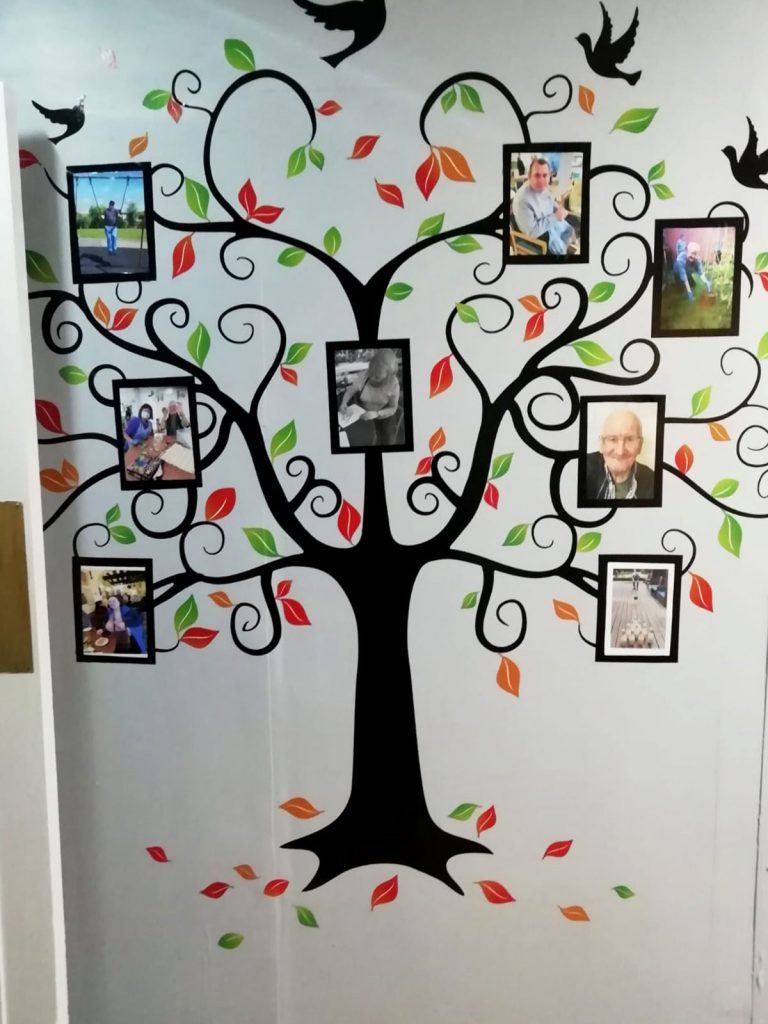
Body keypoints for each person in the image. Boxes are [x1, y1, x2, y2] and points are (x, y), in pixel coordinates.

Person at [584, 408, 655, 501]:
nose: (620, 452)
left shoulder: (653, 480)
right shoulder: (582, 467)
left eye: (629, 439)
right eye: (613, 439)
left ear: (640, 445)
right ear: (601, 444)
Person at [511, 157, 575, 256]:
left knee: (570, 229)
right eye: (537, 175)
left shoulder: (543, 187)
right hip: (535, 235)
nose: (541, 180)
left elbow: (549, 200)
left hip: (546, 221)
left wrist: (558, 209)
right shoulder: (522, 200)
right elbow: (532, 232)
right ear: (529, 176)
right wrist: (555, 217)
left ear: (549, 176)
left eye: (545, 175)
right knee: (560, 251)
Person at [339, 348, 401, 446]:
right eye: (371, 373)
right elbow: (349, 392)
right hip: (363, 411)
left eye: (377, 377)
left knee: (388, 441)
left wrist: (377, 413)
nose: (372, 378)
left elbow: (393, 408)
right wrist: (343, 403)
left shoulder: (394, 384)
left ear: (388, 377)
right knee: (360, 438)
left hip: (385, 413)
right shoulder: (363, 376)